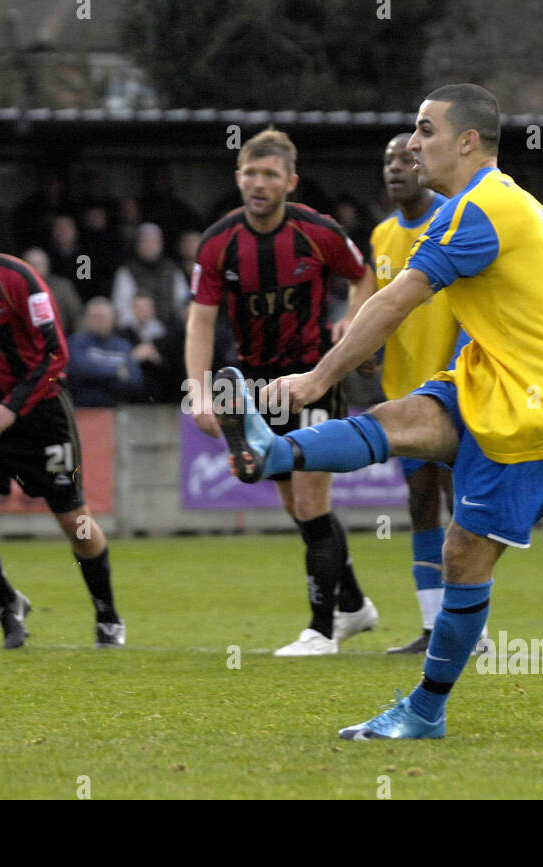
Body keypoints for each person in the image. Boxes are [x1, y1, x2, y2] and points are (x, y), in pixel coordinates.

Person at [214, 84, 543, 739]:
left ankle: (424, 711)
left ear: (468, 141)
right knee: (394, 421)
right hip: (489, 379)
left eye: (424, 130)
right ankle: (268, 450)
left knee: (461, 558)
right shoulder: (498, 204)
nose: (413, 144)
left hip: (541, 414)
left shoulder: (480, 211)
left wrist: (315, 379)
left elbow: (393, 303)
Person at [186, 126, 379, 657]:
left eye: (270, 174)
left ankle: (321, 631)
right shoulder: (218, 242)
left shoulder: (318, 232)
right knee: (297, 505)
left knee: (313, 498)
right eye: (250, 172)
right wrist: (199, 392)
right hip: (253, 386)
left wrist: (351, 322)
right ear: (238, 177)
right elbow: (200, 321)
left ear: (290, 181)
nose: (258, 182)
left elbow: (363, 278)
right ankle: (354, 604)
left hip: (313, 378)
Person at [0, 195, 126, 650]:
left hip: (41, 415)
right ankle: (6, 600)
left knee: (73, 522)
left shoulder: (17, 279)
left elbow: (57, 355)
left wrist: (11, 408)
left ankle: (108, 615)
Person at [364, 133, 475, 656]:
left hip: (456, 391)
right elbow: (372, 301)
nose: (396, 169)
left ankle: (468, 629)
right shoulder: (381, 236)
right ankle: (432, 627)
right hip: (403, 391)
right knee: (420, 502)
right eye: (388, 162)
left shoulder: (455, 218)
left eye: (406, 159)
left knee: (462, 505)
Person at [66, 297, 144, 407]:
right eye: (95, 317)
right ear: (86, 320)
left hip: (117, 408)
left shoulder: (123, 346)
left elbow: (135, 380)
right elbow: (79, 370)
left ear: (113, 320)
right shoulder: (76, 343)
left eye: (104, 317)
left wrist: (96, 372)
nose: (100, 321)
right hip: (84, 408)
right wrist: (117, 371)